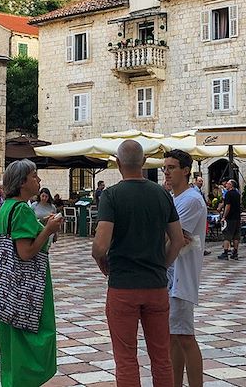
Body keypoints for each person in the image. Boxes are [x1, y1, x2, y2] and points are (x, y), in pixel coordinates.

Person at [92, 140, 185, 387]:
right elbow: (177, 240)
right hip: (155, 286)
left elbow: (100, 246)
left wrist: (101, 260)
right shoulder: (162, 194)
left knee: (126, 359)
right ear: (143, 163)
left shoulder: (111, 195)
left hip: (123, 286)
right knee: (161, 358)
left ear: (118, 163)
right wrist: (161, 265)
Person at [0, 160, 64, 387]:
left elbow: (16, 235)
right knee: (33, 333)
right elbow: (26, 252)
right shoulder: (23, 209)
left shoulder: (7, 207)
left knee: (13, 339)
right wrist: (49, 229)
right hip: (28, 286)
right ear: (23, 182)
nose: (39, 181)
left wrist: (40, 223)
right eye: (35, 176)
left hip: (9, 286)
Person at [164, 150, 206, 387]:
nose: (167, 172)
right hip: (172, 276)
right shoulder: (174, 198)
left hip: (181, 276)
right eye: (165, 168)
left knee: (185, 337)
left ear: (186, 170)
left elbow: (173, 237)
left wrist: (169, 235)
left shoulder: (190, 200)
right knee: (173, 337)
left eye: (171, 167)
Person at [218, 180, 242, 260]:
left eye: (227, 184)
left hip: (230, 218)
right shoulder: (237, 194)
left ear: (231, 185)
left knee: (227, 235)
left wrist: (224, 216)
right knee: (236, 236)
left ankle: (225, 253)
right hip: (237, 217)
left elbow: (228, 206)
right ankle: (235, 252)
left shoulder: (228, 194)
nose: (226, 185)